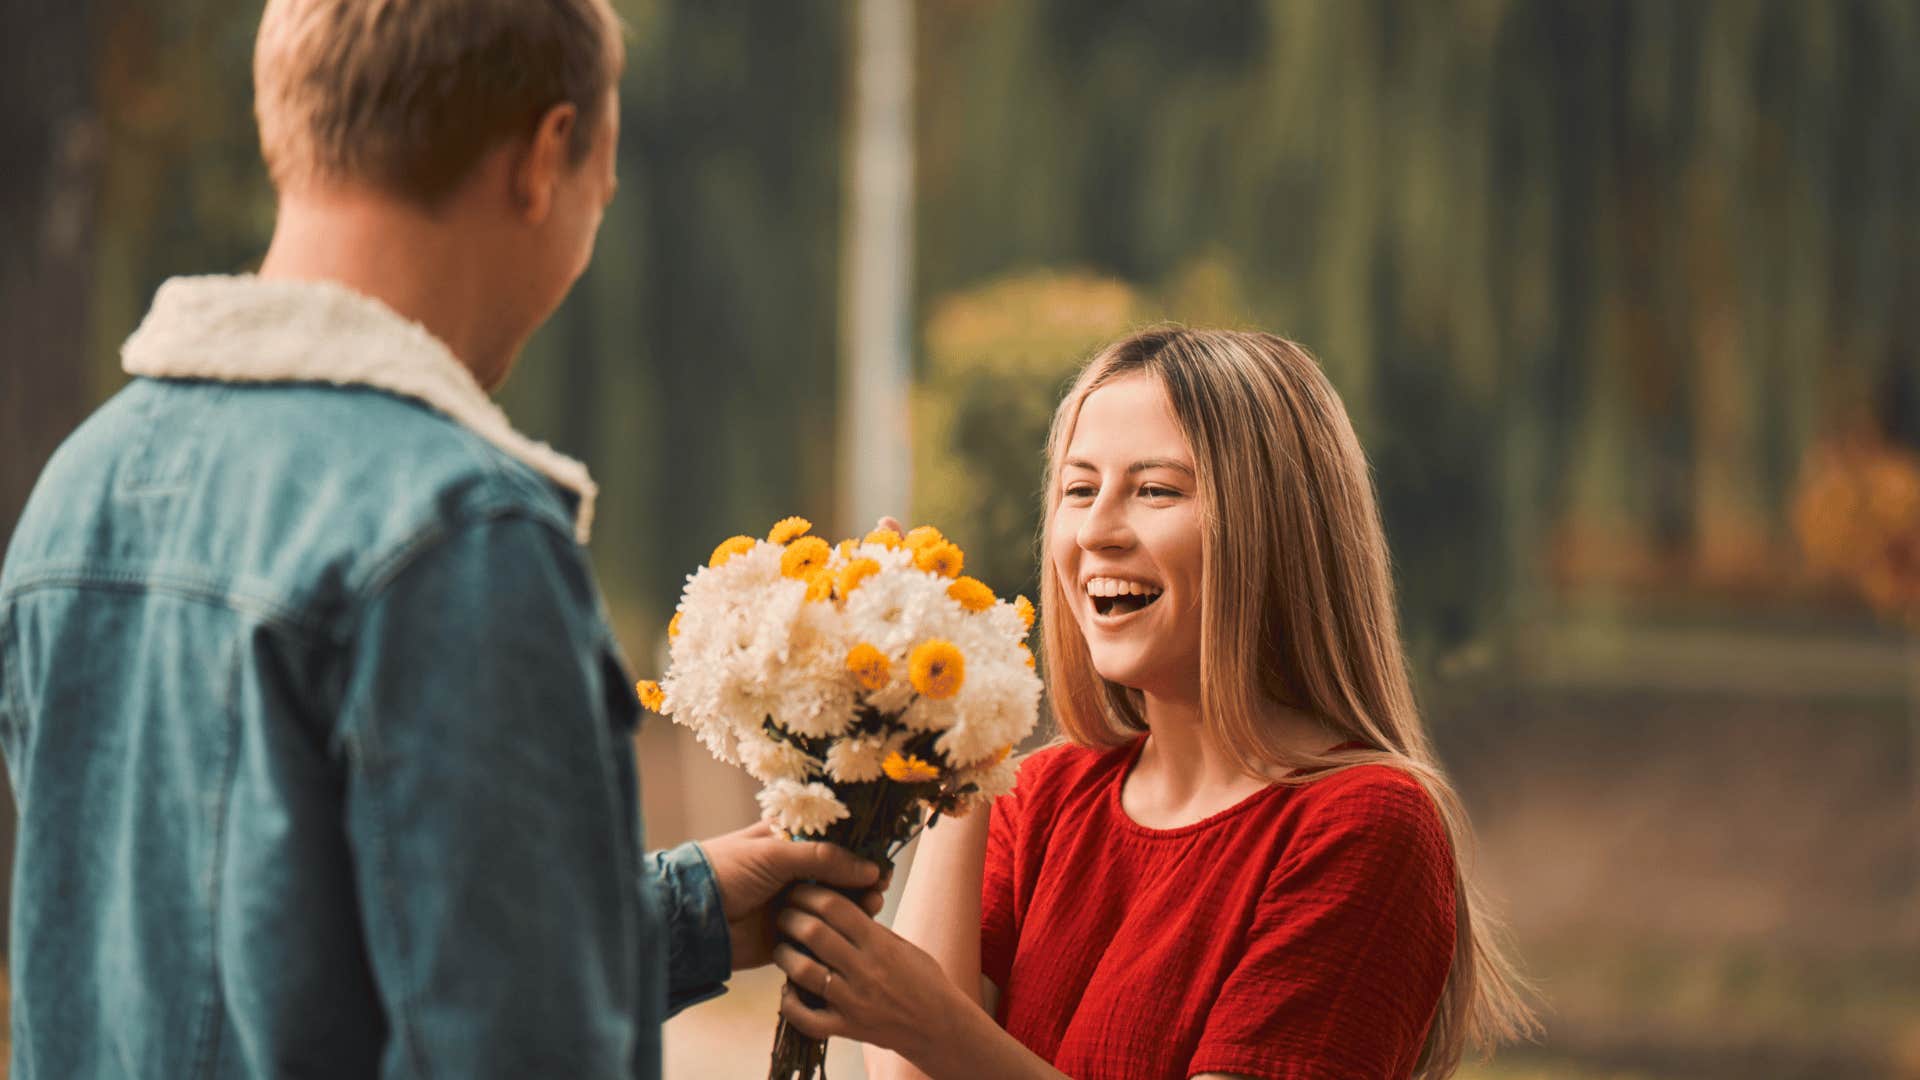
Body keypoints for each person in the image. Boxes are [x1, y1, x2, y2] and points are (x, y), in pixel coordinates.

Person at [0, 1, 880, 1075]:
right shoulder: (459, 536)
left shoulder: (82, 492)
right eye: (600, 184)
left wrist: (681, 914)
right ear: (548, 156)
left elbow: (263, 965)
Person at [768, 328, 1539, 1079]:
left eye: (1155, 490)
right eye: (1078, 489)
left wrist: (938, 1027)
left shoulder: (1365, 825)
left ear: (1274, 529)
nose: (1096, 530)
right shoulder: (1035, 798)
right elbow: (912, 1074)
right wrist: (956, 733)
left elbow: (935, 1040)